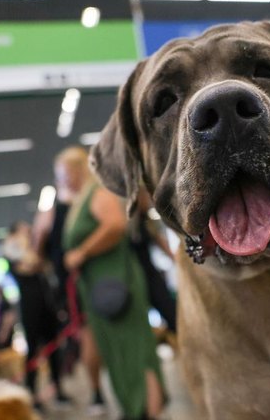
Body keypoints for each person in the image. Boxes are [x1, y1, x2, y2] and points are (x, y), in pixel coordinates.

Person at [58, 146, 165, 420]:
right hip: (98, 287)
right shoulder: (80, 200)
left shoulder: (98, 192)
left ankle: (147, 410)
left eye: (64, 173)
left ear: (77, 169)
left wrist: (82, 252)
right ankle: (135, 408)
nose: (62, 179)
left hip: (116, 281)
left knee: (135, 348)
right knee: (116, 351)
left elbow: (115, 226)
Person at [33, 151, 105, 415]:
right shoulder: (56, 209)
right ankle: (97, 392)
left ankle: (101, 393)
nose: (63, 179)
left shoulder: (91, 197)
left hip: (99, 278)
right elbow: (39, 252)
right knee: (88, 337)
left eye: (65, 173)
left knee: (98, 336)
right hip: (76, 285)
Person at [2, 221, 71, 411]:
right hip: (30, 307)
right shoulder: (14, 251)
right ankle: (31, 394)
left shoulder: (37, 248)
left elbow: (43, 261)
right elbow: (29, 264)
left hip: (47, 305)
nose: (28, 231)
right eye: (24, 229)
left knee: (54, 349)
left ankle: (58, 389)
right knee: (32, 350)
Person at [129, 188, 177, 334]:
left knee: (169, 309)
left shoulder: (146, 221)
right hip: (134, 276)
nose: (149, 200)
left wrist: (176, 259)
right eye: (146, 197)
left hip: (150, 273)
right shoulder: (129, 225)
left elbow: (159, 241)